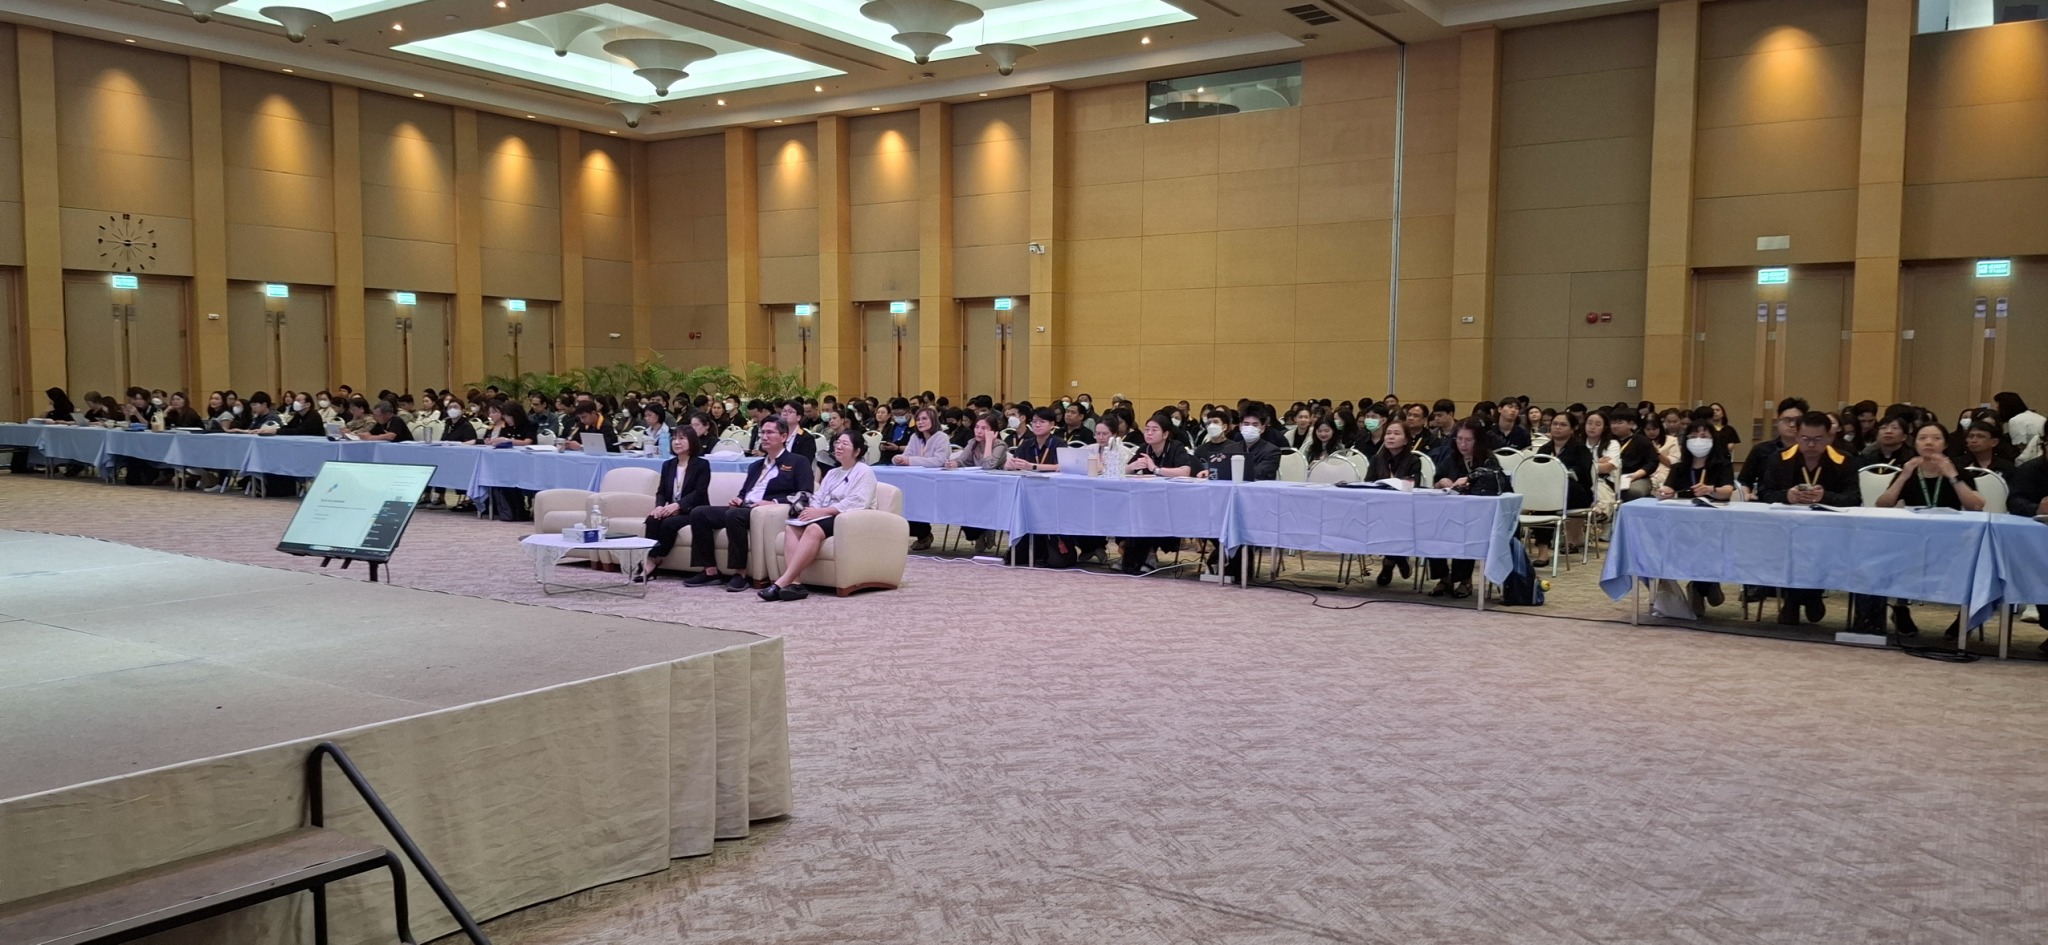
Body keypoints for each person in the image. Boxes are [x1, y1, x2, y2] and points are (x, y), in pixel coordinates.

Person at [684, 417, 814, 592]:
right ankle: (710, 571)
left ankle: (740, 573)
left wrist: (773, 502)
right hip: (745, 508)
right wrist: (739, 498)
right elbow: (745, 492)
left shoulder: (797, 462)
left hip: (766, 512)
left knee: (734, 515)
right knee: (699, 513)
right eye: (762, 433)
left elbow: (805, 494)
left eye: (770, 433)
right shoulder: (756, 465)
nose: (764, 437)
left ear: (783, 437)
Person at [1759, 413, 1858, 625]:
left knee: (1817, 550)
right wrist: (1787, 496)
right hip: (1788, 530)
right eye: (1805, 439)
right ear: (1796, 436)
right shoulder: (1779, 459)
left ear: (1830, 437)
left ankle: (1799, 599)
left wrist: (1826, 497)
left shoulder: (1844, 460)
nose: (1811, 445)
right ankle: (1805, 598)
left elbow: (1854, 498)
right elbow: (1764, 494)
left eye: (1817, 439)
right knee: (1790, 549)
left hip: (1829, 531)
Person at [759, 428, 875, 601]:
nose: (839, 447)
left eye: (845, 444)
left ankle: (782, 582)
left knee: (813, 529)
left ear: (857, 451)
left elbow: (857, 502)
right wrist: (811, 510)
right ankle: (796, 584)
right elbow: (819, 496)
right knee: (792, 528)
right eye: (837, 443)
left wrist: (820, 512)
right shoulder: (833, 473)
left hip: (849, 518)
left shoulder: (864, 471)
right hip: (826, 515)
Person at [1427, 420, 1498, 598]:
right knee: (1430, 529)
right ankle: (1444, 578)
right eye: (1459, 439)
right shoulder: (1451, 457)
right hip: (1448, 511)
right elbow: (1436, 480)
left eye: (1468, 440)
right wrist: (1440, 482)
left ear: (1477, 441)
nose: (1463, 444)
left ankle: (1464, 579)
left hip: (1477, 515)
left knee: (1465, 532)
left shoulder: (1488, 459)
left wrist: (1469, 479)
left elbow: (1494, 481)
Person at [1119, 414, 1196, 574]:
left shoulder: (1175, 447)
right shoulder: (1144, 448)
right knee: (1131, 511)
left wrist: (1156, 469)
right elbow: (1123, 470)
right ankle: (1131, 556)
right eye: (1147, 429)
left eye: (1154, 430)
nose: (1149, 433)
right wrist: (1132, 466)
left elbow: (1185, 471)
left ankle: (1149, 554)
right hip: (1147, 501)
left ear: (1165, 434)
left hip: (1173, 503)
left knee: (1150, 515)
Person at [638, 426, 712, 582]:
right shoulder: (668, 465)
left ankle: (657, 558)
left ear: (692, 441)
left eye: (682, 438)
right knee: (652, 519)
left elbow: (699, 493)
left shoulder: (702, 465)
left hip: (694, 511)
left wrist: (678, 505)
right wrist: (659, 506)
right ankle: (650, 561)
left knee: (669, 524)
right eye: (674, 439)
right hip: (670, 509)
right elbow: (661, 491)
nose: (677, 442)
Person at [1532, 411, 1594, 567]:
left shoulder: (1580, 448)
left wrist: (1561, 472)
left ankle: (1543, 551)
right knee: (1545, 501)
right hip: (1549, 495)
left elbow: (1584, 473)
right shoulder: (1544, 449)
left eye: (1563, 424)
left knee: (1546, 498)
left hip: (1577, 493)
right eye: (1555, 424)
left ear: (1572, 429)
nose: (1557, 427)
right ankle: (1543, 551)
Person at [1366, 421, 1423, 586]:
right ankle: (1398, 557)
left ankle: (1389, 562)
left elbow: (1413, 484)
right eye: (1388, 433)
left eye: (1396, 434)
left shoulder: (1413, 460)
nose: (1391, 437)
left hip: (1404, 509)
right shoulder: (1377, 459)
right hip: (1379, 506)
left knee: (1395, 523)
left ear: (1406, 440)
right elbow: (1368, 482)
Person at [947, 412, 1011, 555]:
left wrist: (989, 442)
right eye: (977, 427)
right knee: (959, 503)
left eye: (984, 428)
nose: (979, 431)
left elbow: (988, 466)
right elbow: (962, 460)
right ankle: (980, 533)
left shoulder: (1000, 445)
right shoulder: (972, 443)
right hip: (974, 489)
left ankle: (988, 528)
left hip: (995, 491)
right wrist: (954, 463)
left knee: (976, 504)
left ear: (994, 431)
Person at [894, 406, 950, 550]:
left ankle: (924, 534)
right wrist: (898, 459)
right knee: (904, 506)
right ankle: (923, 534)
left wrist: (910, 461)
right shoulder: (915, 437)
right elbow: (907, 455)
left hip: (936, 484)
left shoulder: (941, 437)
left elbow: (939, 461)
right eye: (918, 419)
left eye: (924, 419)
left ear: (933, 420)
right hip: (915, 483)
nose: (920, 422)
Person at [1607, 410, 1659, 503]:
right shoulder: (1607, 440)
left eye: (1619, 423)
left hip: (1636, 477)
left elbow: (1652, 462)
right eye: (1612, 423)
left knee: (1634, 491)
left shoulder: (1642, 440)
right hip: (1610, 476)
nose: (1614, 426)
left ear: (1630, 424)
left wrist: (1638, 474)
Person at [1005, 407, 1062, 472]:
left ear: (1051, 424)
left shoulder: (1059, 443)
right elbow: (1015, 461)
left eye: (1042, 422)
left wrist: (1032, 466)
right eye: (1034, 421)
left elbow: (1061, 466)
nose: (1037, 425)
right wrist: (1011, 465)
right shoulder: (1026, 443)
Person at [1994, 391, 2044, 462]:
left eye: (1998, 405)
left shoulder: (2015, 421)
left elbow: (2020, 446)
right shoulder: (2033, 415)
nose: (1996, 408)